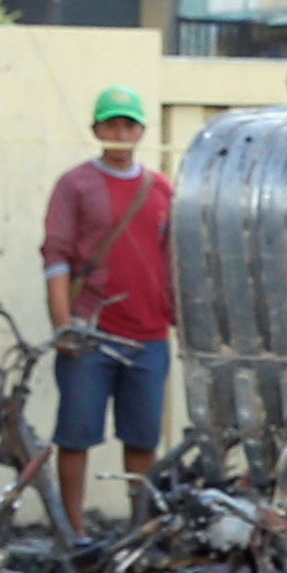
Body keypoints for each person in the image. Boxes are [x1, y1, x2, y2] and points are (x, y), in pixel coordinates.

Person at [42, 85, 175, 526]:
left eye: (128, 125)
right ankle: (74, 529)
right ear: (96, 129)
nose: (120, 132)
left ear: (141, 132)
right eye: (111, 124)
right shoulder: (74, 185)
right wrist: (63, 323)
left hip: (148, 335)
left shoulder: (160, 190)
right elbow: (55, 256)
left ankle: (139, 529)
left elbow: (174, 262)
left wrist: (177, 319)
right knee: (76, 436)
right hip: (90, 333)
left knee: (142, 440)